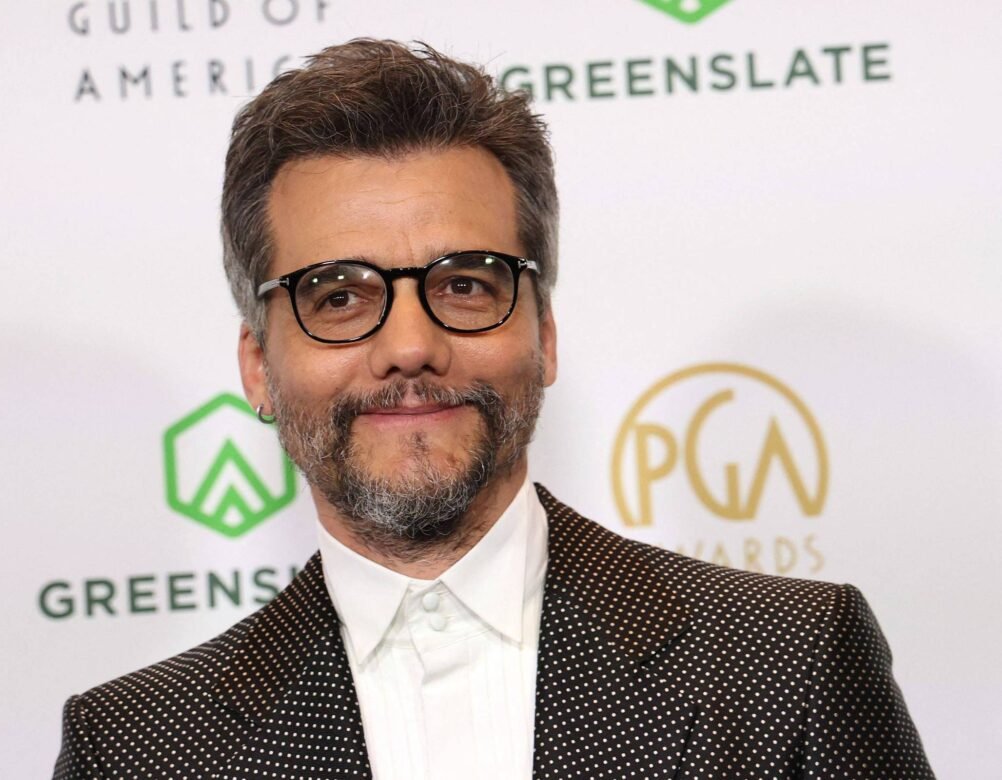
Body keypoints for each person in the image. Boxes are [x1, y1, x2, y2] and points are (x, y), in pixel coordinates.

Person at [53, 39, 933, 779]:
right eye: (338, 296)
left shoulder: (786, 661)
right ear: (257, 365)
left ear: (543, 333)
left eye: (465, 285)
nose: (409, 345)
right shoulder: (135, 749)